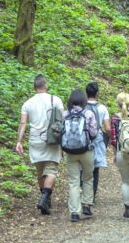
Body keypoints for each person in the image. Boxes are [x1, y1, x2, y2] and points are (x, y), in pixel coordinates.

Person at [16, 75, 64, 215]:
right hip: (52, 138)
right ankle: (44, 197)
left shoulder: (27, 103)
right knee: (51, 169)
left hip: (35, 140)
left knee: (40, 172)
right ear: (46, 85)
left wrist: (19, 141)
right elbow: (62, 120)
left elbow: (23, 123)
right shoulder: (56, 100)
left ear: (34, 87)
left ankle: (46, 199)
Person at [62, 88, 99, 223]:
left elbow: (61, 131)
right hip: (86, 150)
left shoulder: (65, 114)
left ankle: (74, 212)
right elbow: (94, 133)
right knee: (88, 178)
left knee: (73, 182)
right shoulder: (88, 113)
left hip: (70, 151)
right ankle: (87, 205)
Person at [85, 82, 111, 205]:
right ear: (97, 94)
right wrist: (109, 139)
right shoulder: (102, 108)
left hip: (83, 140)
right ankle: (92, 195)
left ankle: (84, 191)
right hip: (97, 139)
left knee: (83, 167)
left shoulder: (81, 107)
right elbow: (107, 128)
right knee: (95, 168)